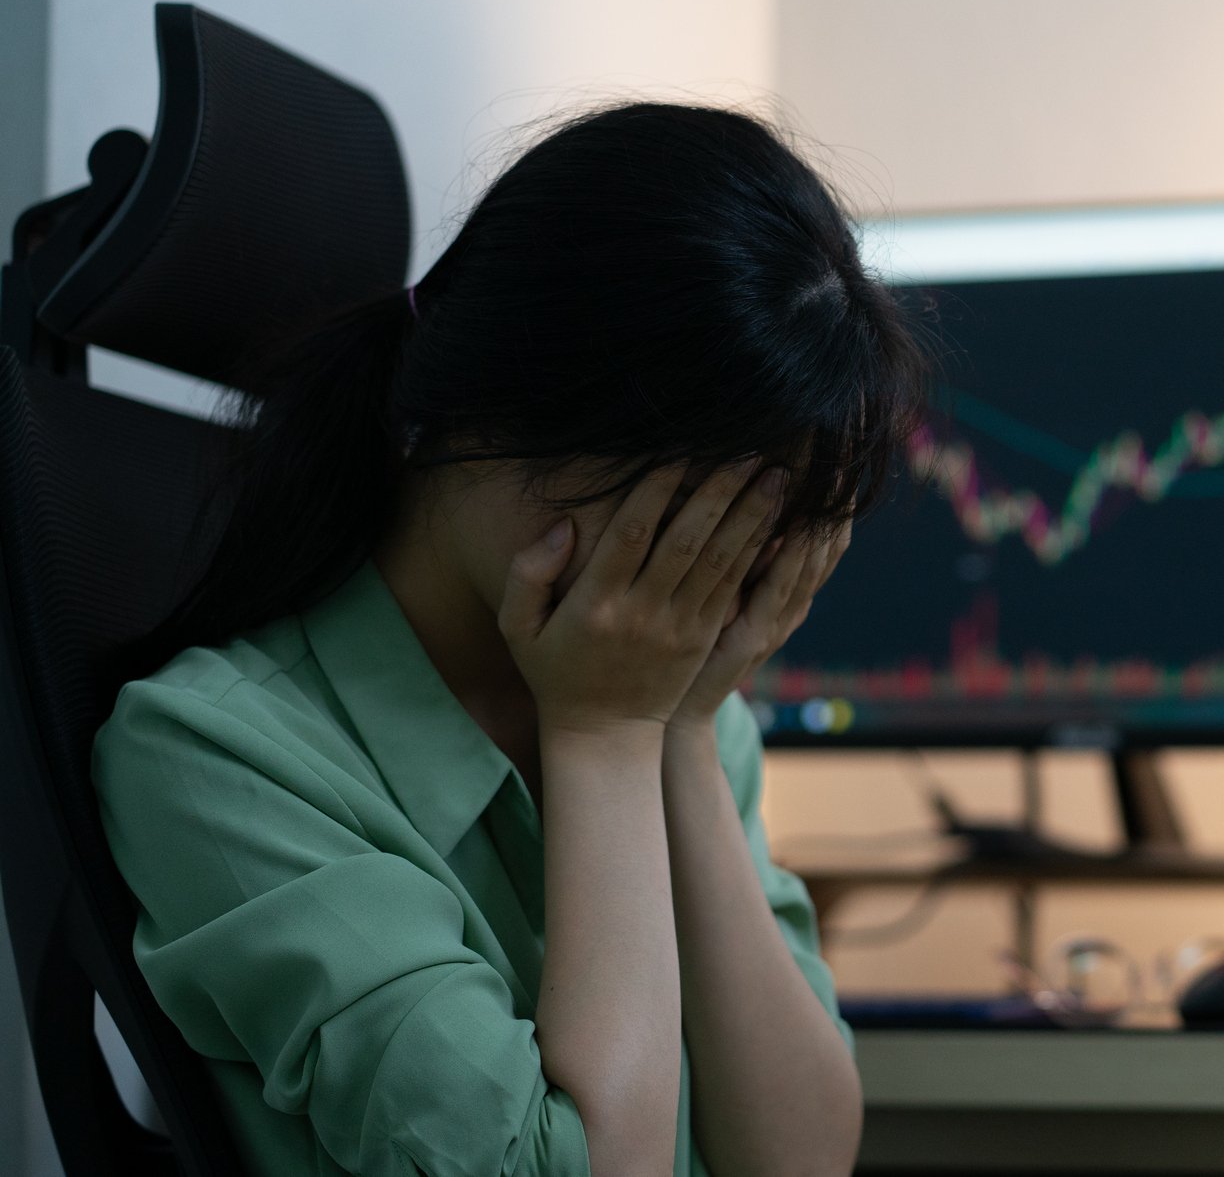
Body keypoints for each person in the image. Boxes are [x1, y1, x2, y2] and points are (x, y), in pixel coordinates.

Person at [91, 102, 931, 1177]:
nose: (705, 584)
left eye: (749, 532)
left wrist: (676, 732)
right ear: (472, 413)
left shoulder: (679, 700)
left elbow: (801, 1156)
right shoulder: (213, 756)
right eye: (675, 520)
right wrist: (607, 733)